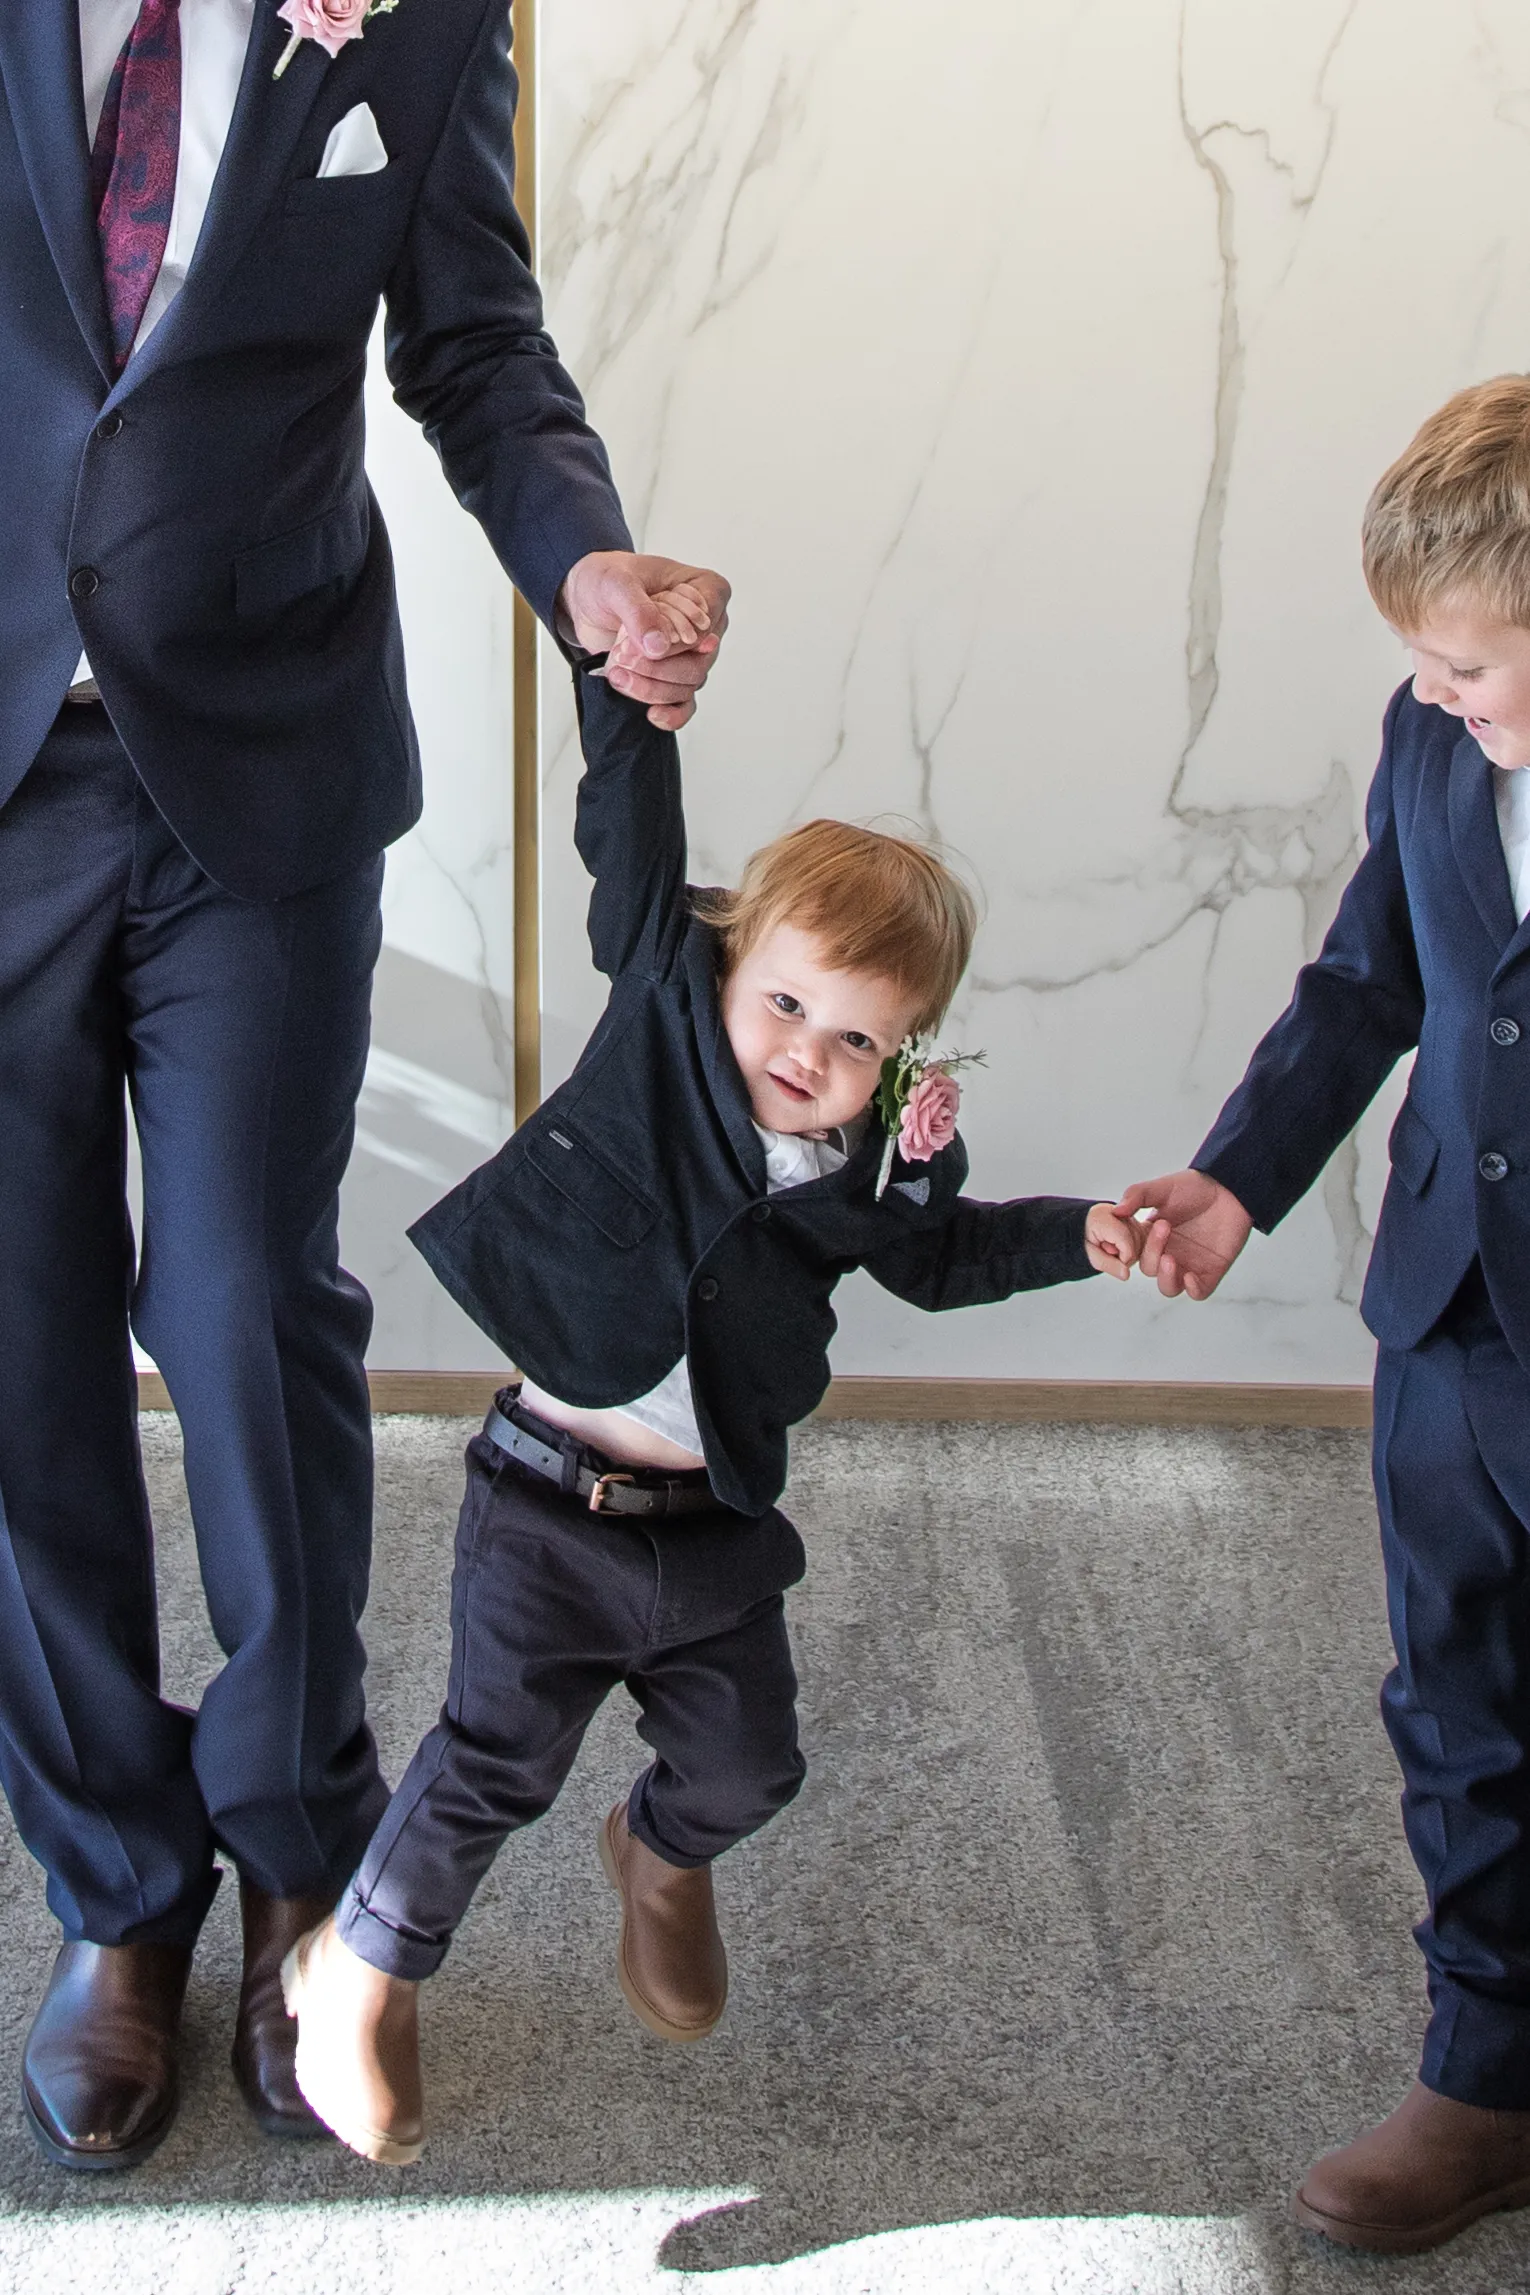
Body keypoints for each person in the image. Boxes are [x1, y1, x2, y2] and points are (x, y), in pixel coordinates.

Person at [0, 0, 730, 2172]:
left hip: (264, 767)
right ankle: (118, 1890)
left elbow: (479, 350)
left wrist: (586, 567)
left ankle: (301, 1844)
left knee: (239, 1309)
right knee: (18, 1355)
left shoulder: (411, 17)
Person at [279, 639, 1144, 2164]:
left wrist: (1074, 1232)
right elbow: (629, 827)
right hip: (549, 1493)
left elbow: (939, 1261)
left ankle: (658, 1853)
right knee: (490, 1764)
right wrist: (620, 674)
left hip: (712, 1524)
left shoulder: (868, 1162)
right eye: (789, 1001)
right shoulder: (663, 1010)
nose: (808, 1051)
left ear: (899, 1057)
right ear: (729, 962)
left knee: (753, 1760)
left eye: (858, 1038)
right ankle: (356, 1967)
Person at [1118, 375, 1530, 2255]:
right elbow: (1369, 975)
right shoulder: (1432, 734)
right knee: (1457, 1695)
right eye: (1420, 672)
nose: (1434, 698)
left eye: (1465, 666)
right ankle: (1485, 2074)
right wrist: (1236, 1172)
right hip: (1448, 1300)